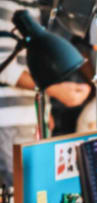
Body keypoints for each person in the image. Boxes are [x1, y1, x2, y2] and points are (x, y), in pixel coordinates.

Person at [0, 1, 90, 186]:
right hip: (10, 120)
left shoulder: (32, 7)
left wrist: (43, 109)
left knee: (37, 192)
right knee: (21, 194)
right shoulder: (5, 5)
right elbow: (4, 67)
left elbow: (35, 66)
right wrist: (56, 90)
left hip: (31, 118)